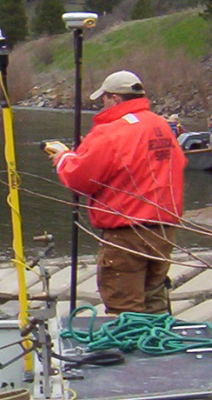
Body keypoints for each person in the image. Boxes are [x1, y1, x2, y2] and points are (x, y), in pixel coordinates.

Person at [47, 70, 186, 315]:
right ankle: (157, 347)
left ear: (114, 99)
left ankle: (128, 350)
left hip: (127, 234)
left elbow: (80, 179)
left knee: (124, 308)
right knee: (155, 302)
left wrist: (63, 158)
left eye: (104, 99)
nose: (102, 105)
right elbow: (177, 163)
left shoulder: (111, 131)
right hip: (163, 231)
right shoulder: (160, 125)